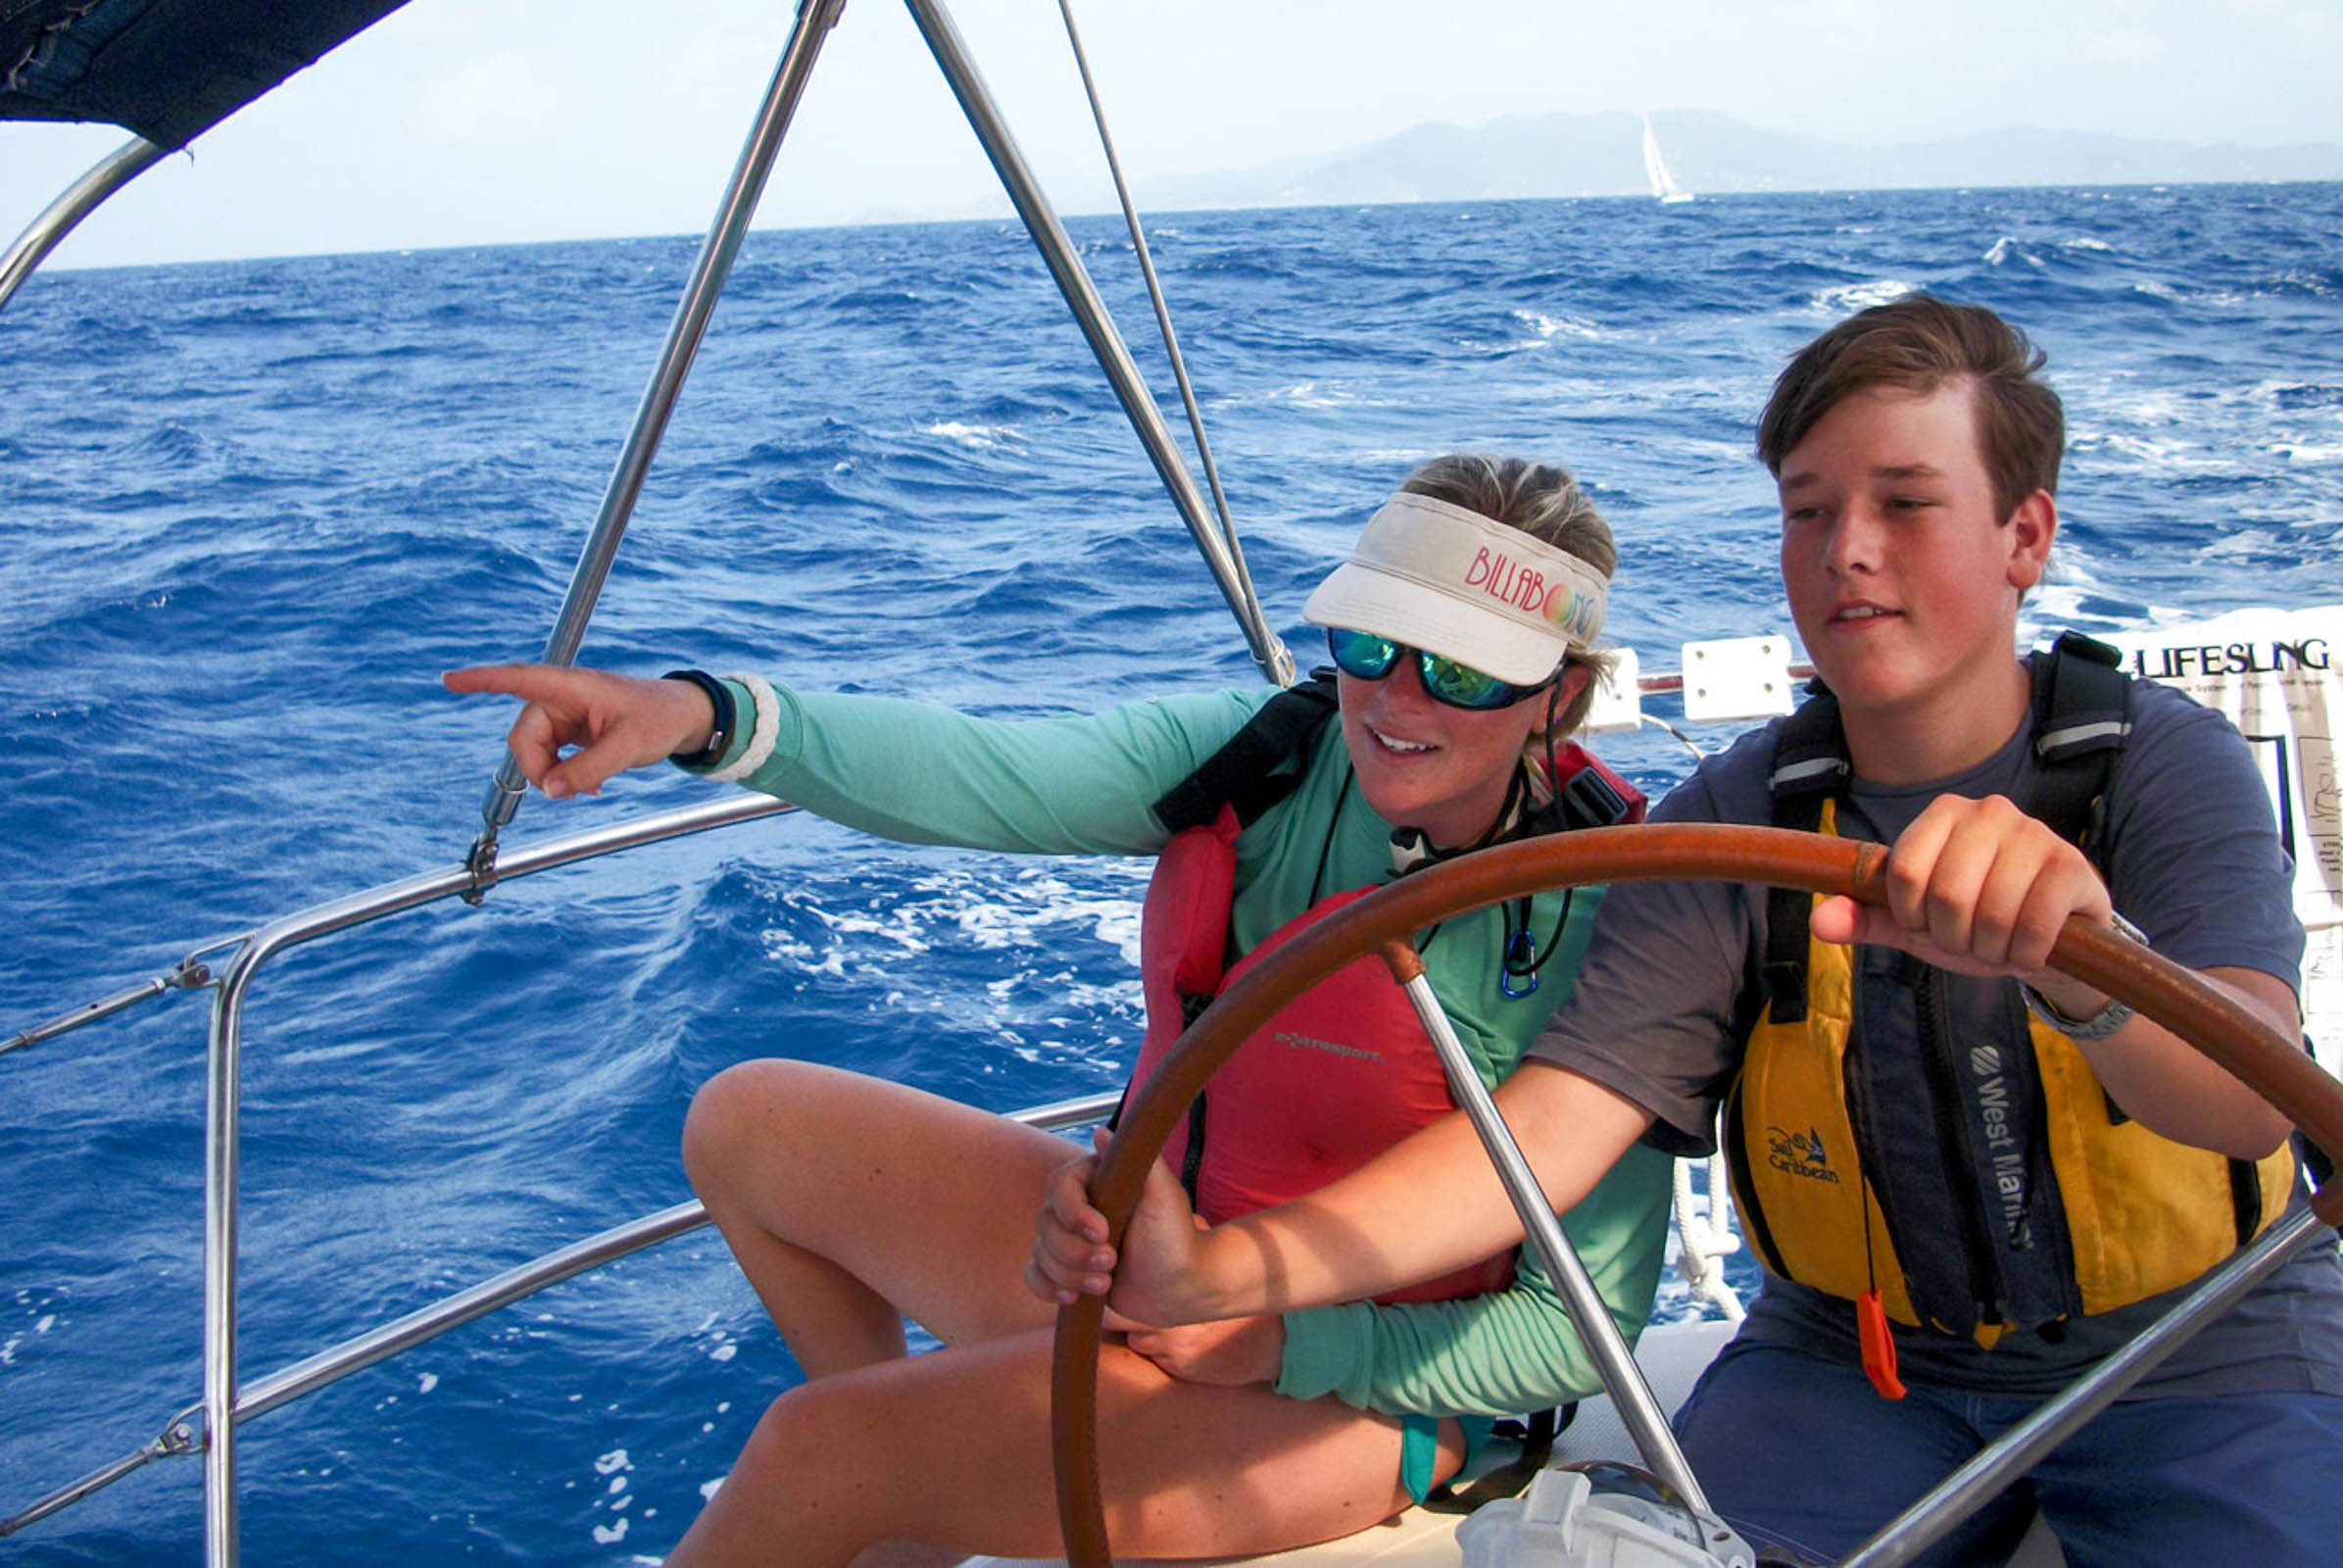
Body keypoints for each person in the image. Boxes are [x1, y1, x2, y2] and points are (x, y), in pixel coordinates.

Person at [1039, 298, 2343, 1565]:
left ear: (2025, 539)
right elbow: (1548, 1137)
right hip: (1855, 1367)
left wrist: (2085, 972)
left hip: (2211, 1347)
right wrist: (1226, 1272)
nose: (1847, 549)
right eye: (1810, 511)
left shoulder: (2159, 766)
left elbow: (2249, 1102)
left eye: (1905, 505)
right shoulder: (1730, 826)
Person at [444, 453, 1680, 1565]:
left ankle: (886, 1481)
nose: (1398, 698)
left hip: (1374, 1393)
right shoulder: (1268, 759)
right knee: (746, 1123)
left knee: (815, 1449)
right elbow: (993, 776)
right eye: (1370, 644)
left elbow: (1581, 1332)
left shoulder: (1609, 923)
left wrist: (1280, 1341)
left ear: (1558, 699)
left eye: (1461, 670)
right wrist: (703, 718)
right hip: (1150, 1277)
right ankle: (916, 1513)